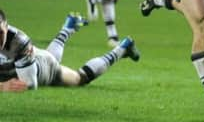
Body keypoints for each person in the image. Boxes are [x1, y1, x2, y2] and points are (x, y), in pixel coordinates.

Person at [0, 9, 139, 92]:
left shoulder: (18, 42)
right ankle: (68, 28)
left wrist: (3, 87)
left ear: (7, 26)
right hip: (33, 58)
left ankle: (122, 49)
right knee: (51, 56)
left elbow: (29, 85)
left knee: (79, 79)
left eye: (0, 32)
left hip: (42, 68)